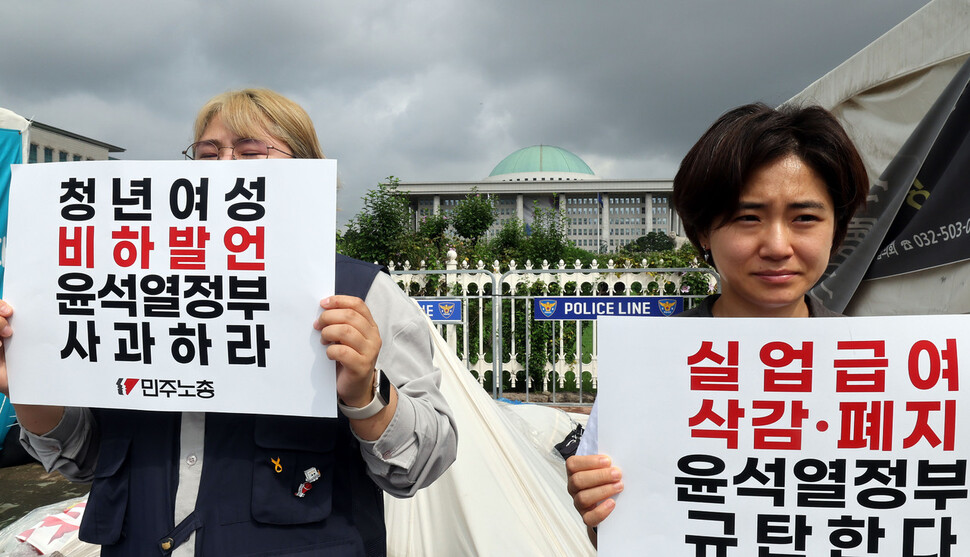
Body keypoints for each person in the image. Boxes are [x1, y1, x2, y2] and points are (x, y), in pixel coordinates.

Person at [0, 88, 458, 556]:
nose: (223, 167)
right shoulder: (125, 286)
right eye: (207, 152)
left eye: (250, 151)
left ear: (307, 171)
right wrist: (28, 382)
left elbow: (421, 464)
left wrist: (366, 395)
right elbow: (84, 457)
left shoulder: (360, 294)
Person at [565, 102, 869, 547]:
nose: (777, 245)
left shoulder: (883, 368)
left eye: (804, 218)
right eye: (749, 217)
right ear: (704, 232)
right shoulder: (649, 364)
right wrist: (598, 510)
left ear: (836, 229)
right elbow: (624, 532)